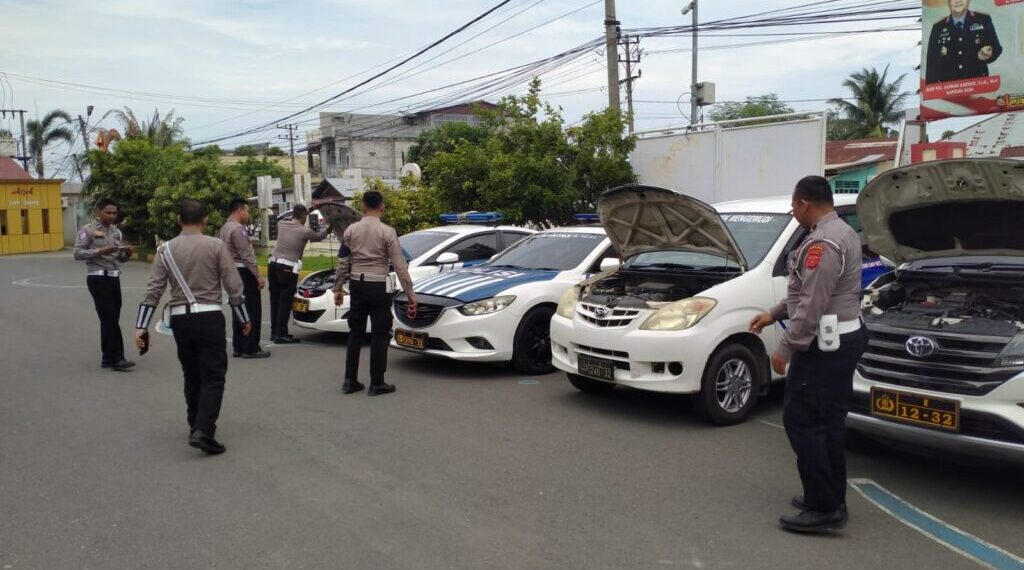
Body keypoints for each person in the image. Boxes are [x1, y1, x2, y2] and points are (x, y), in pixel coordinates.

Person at [748, 176, 866, 533]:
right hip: (842, 339)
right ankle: (830, 496)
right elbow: (808, 292)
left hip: (825, 347)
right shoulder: (840, 231)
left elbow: (813, 304)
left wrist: (785, 348)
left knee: (803, 421)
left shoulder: (823, 243)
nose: (793, 212)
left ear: (803, 203)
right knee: (828, 422)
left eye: (793, 206)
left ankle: (824, 506)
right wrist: (773, 312)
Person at [134, 200, 252, 455]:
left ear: (179, 220)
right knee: (213, 375)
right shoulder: (215, 245)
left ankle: (194, 424)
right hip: (209, 317)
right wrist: (243, 318)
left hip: (180, 320)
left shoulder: (165, 250)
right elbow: (234, 286)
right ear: (205, 220)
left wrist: (141, 327)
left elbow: (153, 291)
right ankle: (204, 430)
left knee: (191, 373)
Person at [333, 191, 415, 396]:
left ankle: (350, 381)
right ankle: (377, 383)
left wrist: (337, 288)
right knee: (379, 334)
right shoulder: (388, 232)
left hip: (357, 286)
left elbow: (343, 261)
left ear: (362, 207)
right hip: (378, 286)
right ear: (382, 206)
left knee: (355, 332)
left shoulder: (351, 231)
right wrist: (411, 294)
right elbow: (400, 266)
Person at [74, 198, 136, 371]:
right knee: (109, 318)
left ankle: (107, 357)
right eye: (108, 212)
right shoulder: (88, 230)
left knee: (111, 319)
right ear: (98, 213)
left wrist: (127, 254)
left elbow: (120, 259)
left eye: (114, 213)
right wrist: (100, 251)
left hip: (114, 278)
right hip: (98, 278)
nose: (111, 216)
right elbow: (77, 253)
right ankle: (118, 358)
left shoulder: (117, 232)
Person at [268, 204, 328, 343]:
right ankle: (281, 334)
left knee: (275, 299)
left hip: (273, 264)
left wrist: (305, 211)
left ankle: (274, 332)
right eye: (306, 216)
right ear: (303, 216)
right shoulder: (304, 231)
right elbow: (318, 236)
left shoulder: (282, 224)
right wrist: (329, 230)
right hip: (287, 267)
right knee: (285, 301)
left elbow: (286, 218)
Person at [220, 198, 269, 358]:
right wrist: (258, 276)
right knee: (252, 309)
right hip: (243, 272)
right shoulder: (238, 230)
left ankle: (239, 346)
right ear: (240, 211)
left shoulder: (225, 228)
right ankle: (251, 347)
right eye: (247, 211)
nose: (247, 214)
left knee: (238, 307)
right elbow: (246, 256)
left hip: (230, 271)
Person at [926, 0, 1002, 84]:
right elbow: (931, 64)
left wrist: (987, 54)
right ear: (948, 2)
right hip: (950, 89)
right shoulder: (938, 27)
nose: (958, 1)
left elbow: (996, 49)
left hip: (978, 85)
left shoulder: (983, 20)